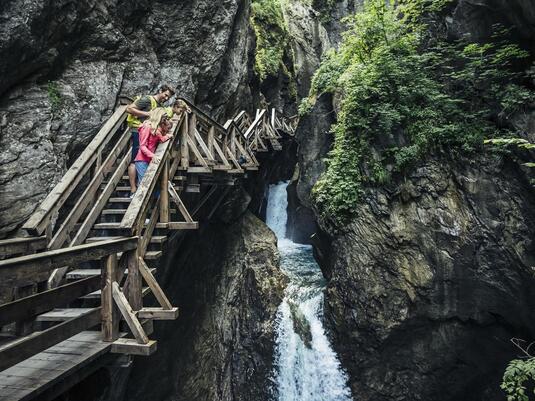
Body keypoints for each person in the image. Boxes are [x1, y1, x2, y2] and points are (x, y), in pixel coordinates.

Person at [126, 85, 175, 197]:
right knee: (135, 160)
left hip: (149, 134)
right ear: (160, 91)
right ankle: (133, 190)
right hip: (139, 131)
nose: (166, 98)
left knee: (142, 160)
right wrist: (149, 114)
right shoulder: (147, 99)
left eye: (169, 97)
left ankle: (142, 189)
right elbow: (129, 109)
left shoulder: (160, 105)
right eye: (165, 95)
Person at [134, 108, 174, 187]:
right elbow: (142, 146)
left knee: (150, 184)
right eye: (164, 117)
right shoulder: (147, 127)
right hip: (142, 160)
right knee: (144, 185)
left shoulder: (155, 128)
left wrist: (167, 136)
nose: (165, 120)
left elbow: (161, 139)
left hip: (149, 159)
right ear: (158, 116)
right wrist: (153, 156)